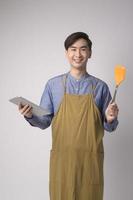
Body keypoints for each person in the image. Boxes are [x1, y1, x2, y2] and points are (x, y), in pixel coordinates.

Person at [19, 32, 119, 200]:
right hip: (62, 161)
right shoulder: (53, 85)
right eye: (73, 49)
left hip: (90, 161)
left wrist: (110, 119)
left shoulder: (101, 87)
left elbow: (109, 126)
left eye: (83, 49)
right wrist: (30, 115)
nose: (78, 54)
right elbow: (44, 122)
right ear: (66, 53)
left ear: (90, 53)